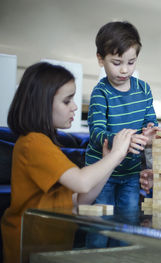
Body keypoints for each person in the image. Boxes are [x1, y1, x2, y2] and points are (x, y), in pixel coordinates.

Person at [1, 62, 135, 263]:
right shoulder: (34, 143)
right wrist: (116, 154)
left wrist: (110, 161)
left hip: (49, 247)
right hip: (28, 246)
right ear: (42, 104)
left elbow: (81, 199)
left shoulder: (43, 143)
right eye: (67, 101)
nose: (74, 106)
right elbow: (81, 182)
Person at [85, 21, 160, 212]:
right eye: (116, 63)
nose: (124, 70)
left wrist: (151, 131)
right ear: (100, 59)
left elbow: (149, 121)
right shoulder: (101, 92)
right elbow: (96, 133)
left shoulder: (143, 89)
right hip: (101, 172)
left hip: (132, 172)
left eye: (131, 62)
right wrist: (125, 141)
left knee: (128, 223)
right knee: (101, 225)